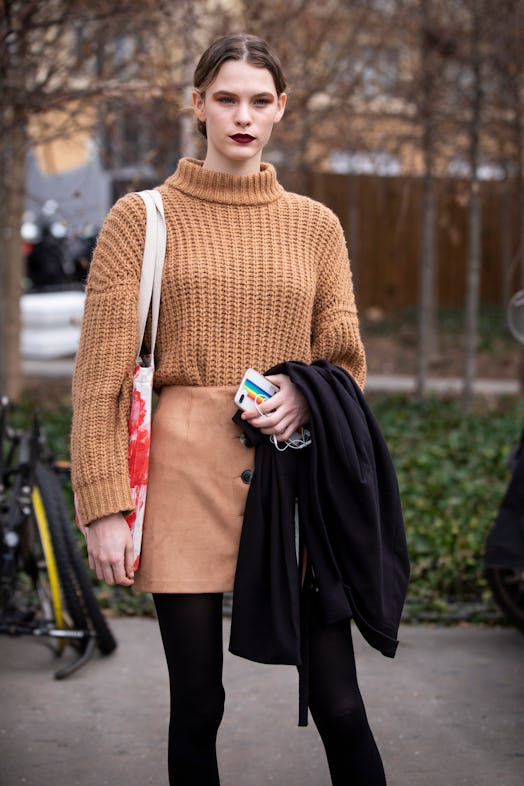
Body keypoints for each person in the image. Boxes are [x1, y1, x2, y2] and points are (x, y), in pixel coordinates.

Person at [71, 32, 389, 786]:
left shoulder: (316, 225)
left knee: (341, 704)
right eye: (225, 99)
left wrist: (305, 395)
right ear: (198, 104)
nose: (241, 116)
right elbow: (99, 378)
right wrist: (102, 506)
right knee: (198, 704)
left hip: (291, 481)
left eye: (258, 101)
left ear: (281, 108)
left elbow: (344, 357)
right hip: (181, 477)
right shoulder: (139, 219)